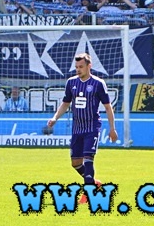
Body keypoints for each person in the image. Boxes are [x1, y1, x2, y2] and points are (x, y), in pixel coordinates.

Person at [46, 53, 118, 204]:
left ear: (88, 66)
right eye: (76, 67)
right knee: (75, 163)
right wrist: (55, 117)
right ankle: (93, 183)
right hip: (77, 129)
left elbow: (108, 107)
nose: (78, 70)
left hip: (92, 128)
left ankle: (88, 193)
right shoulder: (71, 82)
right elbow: (65, 103)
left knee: (88, 160)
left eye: (81, 67)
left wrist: (112, 128)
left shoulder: (98, 83)